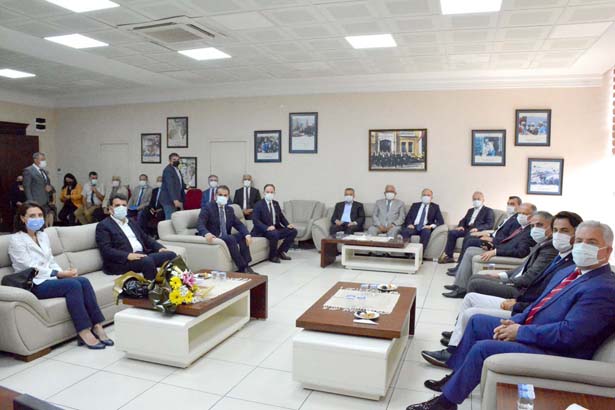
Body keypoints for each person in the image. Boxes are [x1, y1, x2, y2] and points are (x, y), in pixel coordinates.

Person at [405, 221, 615, 410]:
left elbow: (569, 335)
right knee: (477, 322)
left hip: (557, 350)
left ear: (607, 251)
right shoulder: (570, 272)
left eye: (591, 242)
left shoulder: (603, 288)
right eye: (579, 241)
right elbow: (538, 305)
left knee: (483, 348)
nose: (582, 246)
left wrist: (520, 332)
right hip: (534, 329)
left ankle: (445, 403)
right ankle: (454, 379)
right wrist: (514, 321)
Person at [422, 211, 563, 368]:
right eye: (533, 225)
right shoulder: (542, 244)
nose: (535, 228)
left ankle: (454, 347)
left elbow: (528, 276)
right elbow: (522, 268)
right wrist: (501, 275)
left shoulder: (551, 250)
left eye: (540, 225)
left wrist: (505, 281)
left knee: (476, 286)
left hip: (519, 293)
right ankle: (458, 334)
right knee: (472, 291)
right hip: (518, 288)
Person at [8, 201, 112, 349]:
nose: (37, 218)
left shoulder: (42, 236)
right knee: (73, 285)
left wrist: (64, 273)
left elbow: (50, 260)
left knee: (83, 281)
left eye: (40, 215)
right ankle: (83, 331)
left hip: (49, 278)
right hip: (33, 283)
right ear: (22, 218)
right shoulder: (16, 240)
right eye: (32, 216)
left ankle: (97, 326)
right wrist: (59, 273)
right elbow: (29, 267)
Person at [443, 203, 537, 298]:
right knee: (470, 249)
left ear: (532, 216)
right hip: (498, 248)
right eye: (519, 213)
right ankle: (459, 285)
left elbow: (521, 252)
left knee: (471, 252)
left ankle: (461, 289)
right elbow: (507, 242)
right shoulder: (521, 228)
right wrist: (492, 246)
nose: (520, 216)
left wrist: (495, 251)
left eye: (524, 213)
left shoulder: (530, 232)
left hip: (503, 254)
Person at [95, 194, 176, 280]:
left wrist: (159, 248)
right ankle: (154, 287)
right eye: (117, 205)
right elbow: (106, 250)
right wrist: (128, 255)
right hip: (121, 262)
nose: (121, 208)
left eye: (124, 205)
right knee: (147, 261)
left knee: (171, 255)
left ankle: (177, 284)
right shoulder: (104, 226)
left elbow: (145, 238)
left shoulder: (131, 221)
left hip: (141, 255)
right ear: (110, 209)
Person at [447, 196, 522, 274]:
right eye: (508, 204)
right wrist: (487, 234)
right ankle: (459, 266)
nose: (509, 206)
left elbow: (509, 239)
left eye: (512, 204)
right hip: (489, 236)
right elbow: (498, 232)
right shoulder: (509, 218)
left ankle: (459, 269)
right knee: (469, 237)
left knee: (470, 241)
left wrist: (492, 239)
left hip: (495, 244)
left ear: (519, 206)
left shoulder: (517, 220)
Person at [197, 185, 256, 274]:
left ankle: (247, 265)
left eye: (225, 195)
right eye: (220, 195)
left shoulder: (229, 209)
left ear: (228, 197)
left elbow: (239, 224)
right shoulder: (208, 207)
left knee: (242, 236)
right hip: (215, 237)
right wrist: (206, 233)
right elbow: (200, 224)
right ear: (215, 196)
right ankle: (242, 267)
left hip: (226, 237)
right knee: (230, 238)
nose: (223, 197)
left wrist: (247, 234)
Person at [439, 192, 494, 264]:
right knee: (452, 233)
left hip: (477, 232)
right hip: (466, 229)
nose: (476, 201)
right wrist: (461, 226)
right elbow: (463, 220)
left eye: (478, 199)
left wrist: (478, 229)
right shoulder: (470, 210)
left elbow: (489, 224)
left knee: (468, 237)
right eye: (474, 199)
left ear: (483, 200)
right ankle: (449, 257)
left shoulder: (488, 210)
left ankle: (461, 261)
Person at [251, 184, 297, 263]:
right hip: (263, 230)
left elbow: (281, 216)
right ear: (264, 193)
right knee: (274, 233)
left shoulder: (276, 203)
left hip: (275, 228)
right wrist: (267, 228)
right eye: (267, 192)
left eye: (271, 192)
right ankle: (272, 256)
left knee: (293, 231)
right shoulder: (258, 204)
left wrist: (287, 224)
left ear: (274, 193)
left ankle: (280, 252)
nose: (269, 194)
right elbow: (255, 220)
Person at [22, 152, 55, 216]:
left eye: (44, 159)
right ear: (35, 160)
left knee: (45, 219)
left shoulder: (43, 171)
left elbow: (47, 184)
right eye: (42, 159)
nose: (44, 161)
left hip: (46, 201)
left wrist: (50, 187)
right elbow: (27, 188)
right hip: (36, 202)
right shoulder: (28, 170)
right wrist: (31, 203)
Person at [159, 153, 185, 220]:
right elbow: (170, 186)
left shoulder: (177, 169)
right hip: (169, 200)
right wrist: (175, 200)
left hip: (177, 198)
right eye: (174, 159)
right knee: (170, 220)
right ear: (170, 161)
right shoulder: (168, 170)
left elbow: (179, 183)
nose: (176, 161)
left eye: (178, 159)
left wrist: (186, 187)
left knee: (176, 219)